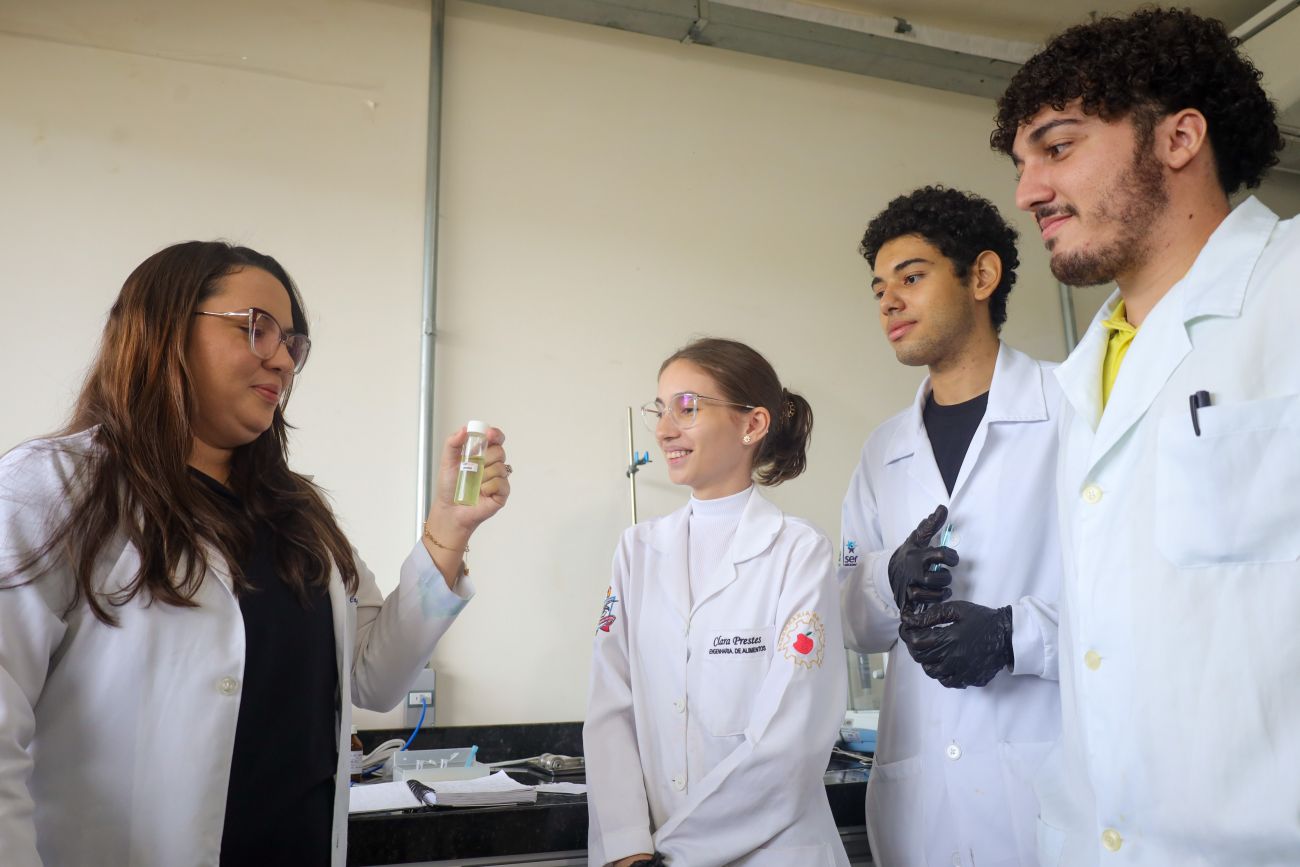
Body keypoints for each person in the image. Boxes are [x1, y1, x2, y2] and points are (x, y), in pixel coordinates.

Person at [0, 241, 511, 866]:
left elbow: (375, 678)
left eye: (292, 343)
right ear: (163, 328)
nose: (284, 360)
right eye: (257, 328)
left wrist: (448, 530)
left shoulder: (296, 513)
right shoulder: (52, 487)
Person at [991, 8, 1298, 863]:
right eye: (1021, 166)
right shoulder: (1086, 374)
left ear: (1179, 138)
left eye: (1057, 147)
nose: (1027, 193)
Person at [838, 186, 1063, 866]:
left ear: (982, 276)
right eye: (879, 288)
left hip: (1049, 783)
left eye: (911, 277)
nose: (889, 302)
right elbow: (854, 623)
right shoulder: (884, 449)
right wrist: (889, 578)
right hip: (922, 805)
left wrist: (1012, 635)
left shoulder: (1072, 410)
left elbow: (1138, 599)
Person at [584, 337, 849, 867]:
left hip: (773, 853)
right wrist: (627, 846)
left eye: (687, 408)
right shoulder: (637, 550)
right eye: (660, 409)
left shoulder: (799, 551)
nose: (664, 430)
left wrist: (675, 854)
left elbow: (790, 736)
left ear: (752, 424)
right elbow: (610, 708)